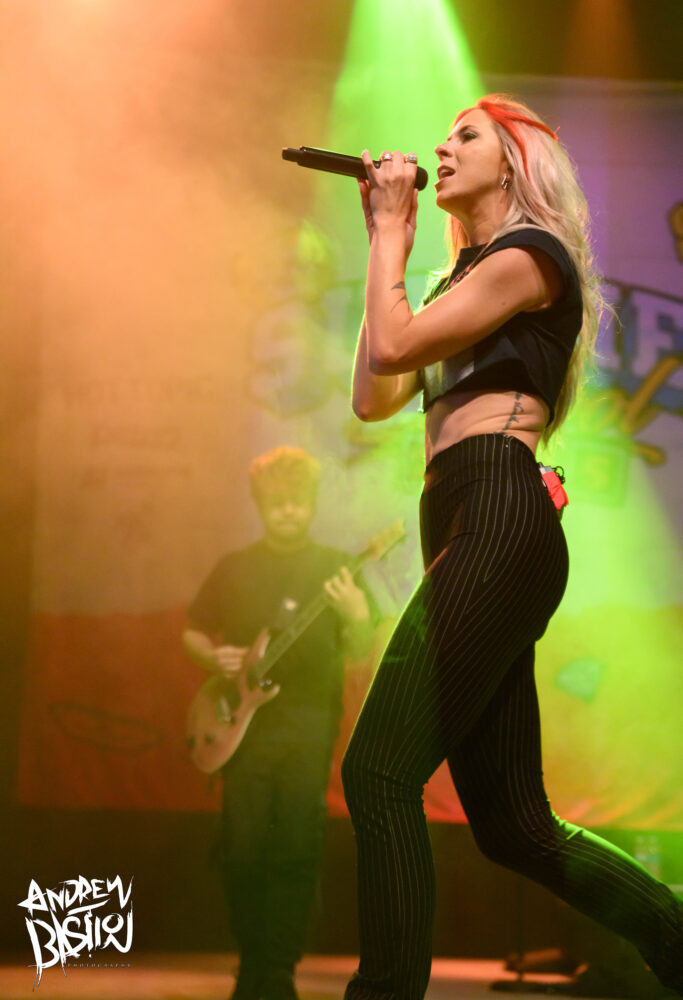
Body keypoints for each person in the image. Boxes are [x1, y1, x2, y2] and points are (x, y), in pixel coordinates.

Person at [341, 94, 683, 999]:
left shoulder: (529, 257)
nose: (441, 147)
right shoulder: (458, 281)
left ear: (515, 163)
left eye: (466, 136)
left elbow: (394, 349)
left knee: (376, 773)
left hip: (498, 506)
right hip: (459, 510)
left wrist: (391, 230)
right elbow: (373, 395)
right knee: (513, 827)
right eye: (444, 134)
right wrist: (387, 239)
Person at [183, 446, 376, 1000]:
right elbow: (193, 630)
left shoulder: (336, 567)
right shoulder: (235, 567)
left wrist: (358, 615)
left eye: (298, 501)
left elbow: (361, 648)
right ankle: (251, 963)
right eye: (277, 502)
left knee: (295, 849)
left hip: (308, 724)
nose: (288, 510)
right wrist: (212, 657)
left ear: (312, 503)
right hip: (241, 730)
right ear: (260, 503)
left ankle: (278, 971)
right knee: (242, 848)